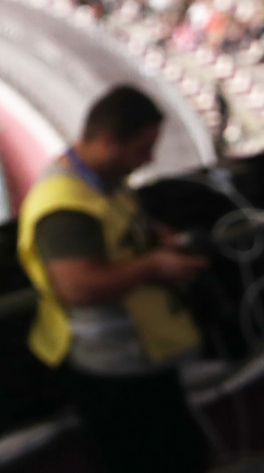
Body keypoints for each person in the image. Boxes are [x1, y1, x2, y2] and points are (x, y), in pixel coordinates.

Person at [17, 85, 210, 473]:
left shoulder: (104, 181)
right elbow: (78, 287)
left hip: (142, 357)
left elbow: (121, 225)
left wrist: (155, 235)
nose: (149, 159)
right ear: (108, 142)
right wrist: (154, 266)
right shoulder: (65, 206)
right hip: (113, 372)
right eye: (143, 149)